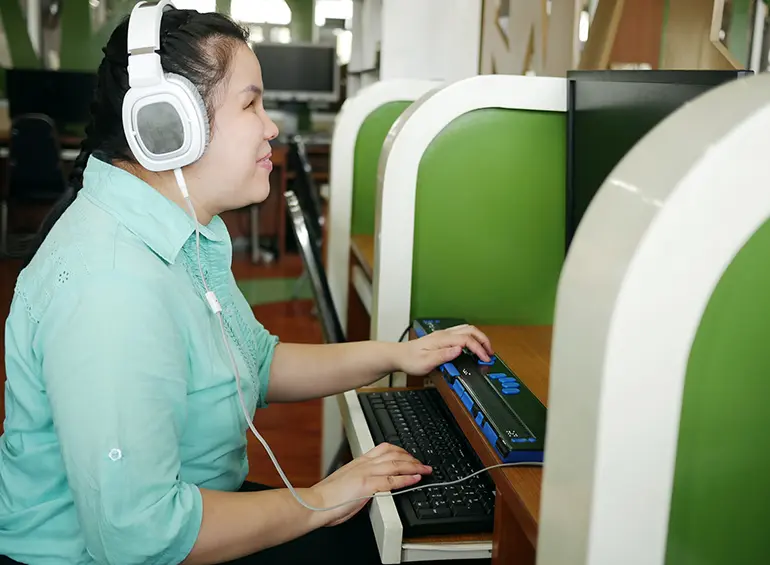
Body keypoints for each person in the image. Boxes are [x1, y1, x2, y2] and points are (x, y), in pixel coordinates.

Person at [0, 7, 495, 565]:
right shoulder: (112, 288)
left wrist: (398, 354)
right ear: (169, 125)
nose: (271, 125)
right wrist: (322, 497)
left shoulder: (181, 232)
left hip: (191, 517)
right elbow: (141, 536)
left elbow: (257, 364)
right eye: (250, 103)